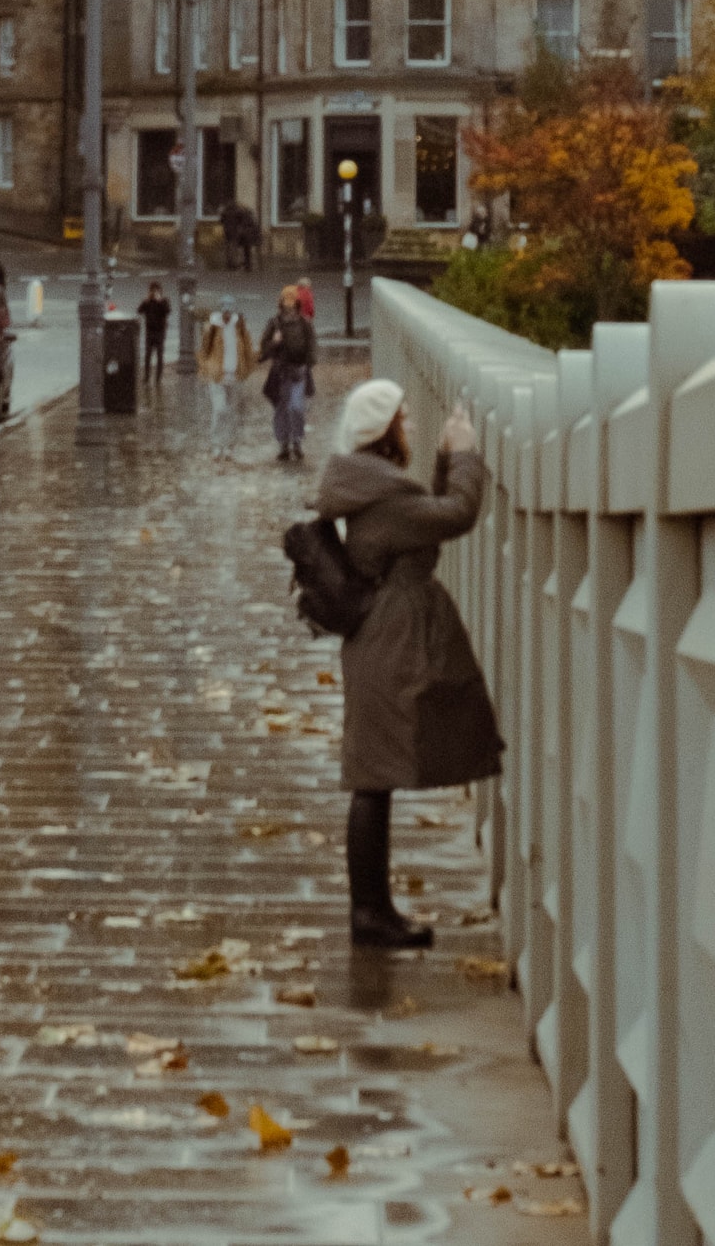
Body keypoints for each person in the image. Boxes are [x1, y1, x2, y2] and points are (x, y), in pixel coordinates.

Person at [316, 377, 501, 949]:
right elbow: (458, 515)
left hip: (379, 636)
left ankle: (373, 910)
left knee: (374, 775)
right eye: (406, 418)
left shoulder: (372, 487)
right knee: (372, 778)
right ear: (385, 429)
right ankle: (368, 914)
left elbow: (430, 517)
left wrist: (446, 460)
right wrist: (466, 452)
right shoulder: (384, 495)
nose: (413, 427)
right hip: (389, 638)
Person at [258, 285, 315, 463]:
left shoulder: (305, 323)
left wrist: (308, 364)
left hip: (298, 371)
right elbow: (263, 348)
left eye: (292, 301)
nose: (289, 305)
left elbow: (311, 345)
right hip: (280, 372)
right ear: (281, 302)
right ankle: (283, 443)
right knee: (281, 409)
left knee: (296, 407)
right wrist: (274, 343)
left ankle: (297, 440)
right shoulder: (274, 323)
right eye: (286, 300)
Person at [196, 303, 256, 460]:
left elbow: (248, 349)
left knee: (232, 413)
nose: (227, 316)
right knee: (220, 409)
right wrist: (206, 369)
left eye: (229, 313)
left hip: (235, 376)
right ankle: (216, 444)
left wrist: (248, 368)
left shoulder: (240, 328)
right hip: (217, 376)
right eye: (224, 313)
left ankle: (229, 445)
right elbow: (203, 351)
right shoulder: (213, 328)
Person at [138, 278, 171, 387]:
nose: (154, 293)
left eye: (156, 290)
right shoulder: (148, 302)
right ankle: (146, 377)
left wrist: (160, 300)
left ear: (160, 291)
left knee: (160, 355)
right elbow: (139, 310)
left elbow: (167, 311)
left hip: (160, 332)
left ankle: (158, 378)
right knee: (148, 355)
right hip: (149, 332)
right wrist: (145, 300)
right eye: (152, 290)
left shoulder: (164, 301)